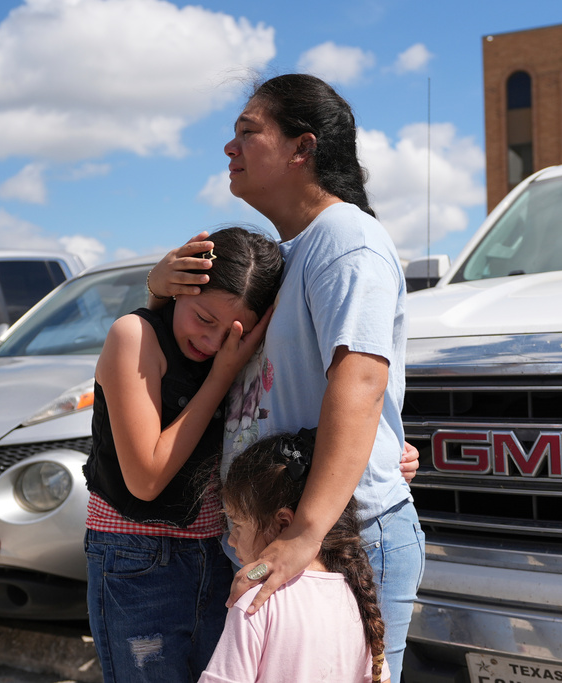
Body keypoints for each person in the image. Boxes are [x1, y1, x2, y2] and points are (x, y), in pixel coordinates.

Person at [148, 73, 425, 680]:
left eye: (249, 132)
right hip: (285, 543)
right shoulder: (292, 250)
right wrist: (156, 288)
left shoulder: (347, 240)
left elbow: (360, 381)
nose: (230, 147)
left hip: (335, 545)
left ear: (302, 149)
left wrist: (303, 534)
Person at [83, 226, 284, 683]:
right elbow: (146, 479)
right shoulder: (134, 335)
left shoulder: (230, 351)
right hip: (137, 559)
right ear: (179, 290)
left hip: (218, 552)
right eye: (204, 319)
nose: (213, 343)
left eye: (235, 333)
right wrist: (222, 375)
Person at [199, 431, 390, 683]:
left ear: (283, 523)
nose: (231, 539)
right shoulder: (355, 594)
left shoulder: (255, 603)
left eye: (237, 524)